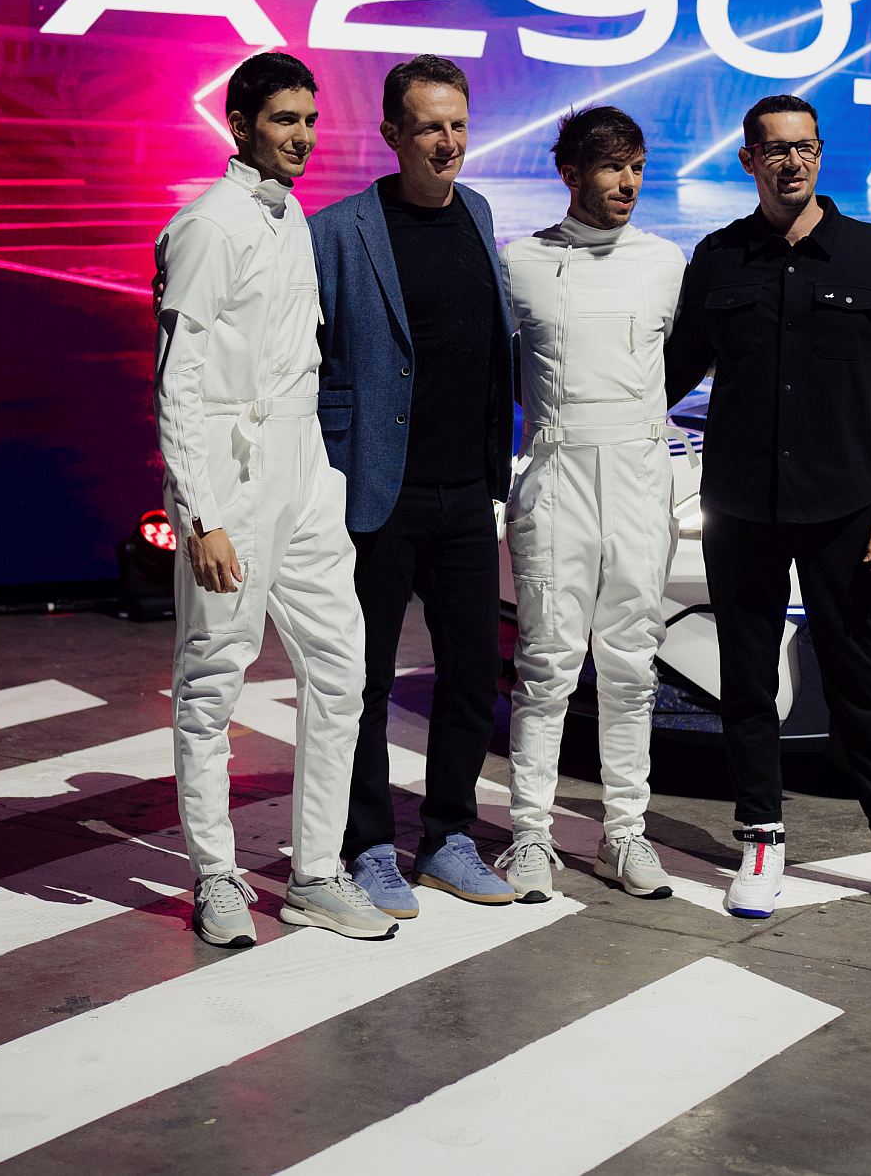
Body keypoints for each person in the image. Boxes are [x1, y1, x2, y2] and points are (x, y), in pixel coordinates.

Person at [663, 94, 871, 919]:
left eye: (804, 147)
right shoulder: (719, 257)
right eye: (775, 149)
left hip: (846, 509)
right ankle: (762, 837)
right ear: (748, 161)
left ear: (821, 154)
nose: (791, 161)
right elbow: (671, 372)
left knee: (859, 677)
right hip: (741, 507)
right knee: (746, 680)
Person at [154, 50, 395, 946]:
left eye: (309, 119)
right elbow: (177, 380)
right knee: (213, 673)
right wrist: (201, 513)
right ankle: (216, 874)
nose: (302, 136)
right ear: (240, 125)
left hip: (303, 469)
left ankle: (316, 873)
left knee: (341, 665)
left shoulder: (291, 216)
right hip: (230, 470)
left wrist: (319, 471)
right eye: (284, 120)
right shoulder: (207, 226)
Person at [307, 55, 519, 916]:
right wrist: (328, 459)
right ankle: (365, 844)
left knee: (472, 675)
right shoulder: (339, 230)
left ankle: (447, 837)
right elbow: (306, 359)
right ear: (392, 133)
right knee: (363, 679)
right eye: (430, 126)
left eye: (458, 124)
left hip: (466, 489)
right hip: (376, 489)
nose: (448, 141)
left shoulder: (479, 213)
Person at [496, 106, 685, 902]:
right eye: (612, 167)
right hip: (557, 474)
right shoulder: (520, 263)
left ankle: (625, 833)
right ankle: (530, 835)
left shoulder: (667, 261)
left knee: (632, 666)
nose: (628, 182)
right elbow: (497, 375)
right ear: (570, 173)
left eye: (637, 166)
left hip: (641, 476)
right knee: (546, 666)